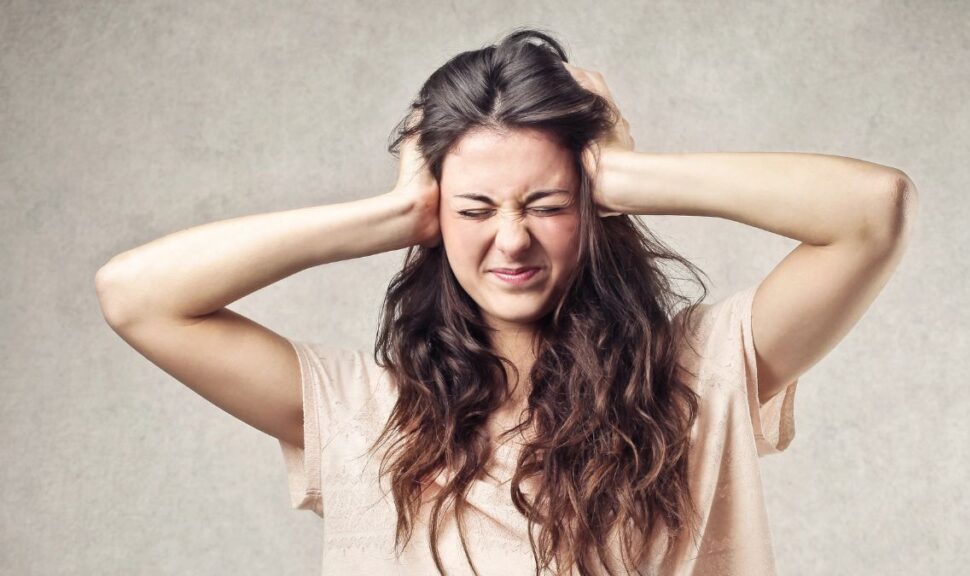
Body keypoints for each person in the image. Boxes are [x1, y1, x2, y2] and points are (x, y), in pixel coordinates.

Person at [94, 28, 918, 576]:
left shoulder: (697, 376)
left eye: (547, 206)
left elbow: (871, 213)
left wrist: (626, 177)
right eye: (477, 210)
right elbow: (136, 297)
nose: (512, 241)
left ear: (592, 213)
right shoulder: (367, 415)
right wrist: (391, 215)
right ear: (437, 215)